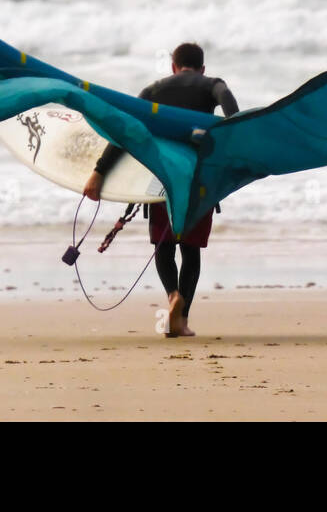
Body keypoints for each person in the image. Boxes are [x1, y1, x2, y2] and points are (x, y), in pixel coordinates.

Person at [82, 42, 237, 338]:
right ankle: (182, 319)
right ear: (202, 68)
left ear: (173, 67)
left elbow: (125, 129)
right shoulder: (213, 85)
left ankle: (171, 296)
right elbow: (234, 116)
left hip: (162, 179)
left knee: (163, 248)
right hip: (197, 181)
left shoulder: (153, 90)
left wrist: (99, 173)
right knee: (190, 252)